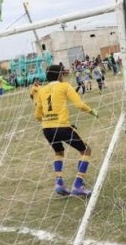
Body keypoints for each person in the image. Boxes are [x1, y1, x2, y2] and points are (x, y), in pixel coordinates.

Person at [34, 64, 98, 197]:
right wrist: (91, 111)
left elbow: (37, 116)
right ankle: (78, 185)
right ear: (59, 75)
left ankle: (59, 184)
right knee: (85, 150)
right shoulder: (65, 86)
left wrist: (49, 120)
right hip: (61, 126)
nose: (64, 76)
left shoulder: (42, 90)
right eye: (63, 74)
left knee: (59, 152)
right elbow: (79, 105)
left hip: (47, 129)